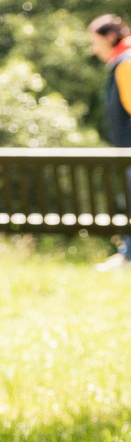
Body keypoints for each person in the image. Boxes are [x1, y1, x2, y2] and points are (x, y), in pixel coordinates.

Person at [90, 15, 131, 270]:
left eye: (95, 42)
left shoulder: (126, 62)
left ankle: (128, 255)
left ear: (109, 37)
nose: (94, 49)